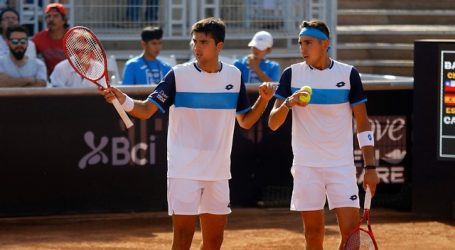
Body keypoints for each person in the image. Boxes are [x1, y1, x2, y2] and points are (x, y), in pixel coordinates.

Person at [100, 17, 275, 249]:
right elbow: (145, 110)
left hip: (218, 171)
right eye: (195, 41)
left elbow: (245, 121)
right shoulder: (178, 75)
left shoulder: (234, 76)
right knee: (182, 239)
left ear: (218, 46)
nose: (197, 47)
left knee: (214, 241)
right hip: (184, 170)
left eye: (203, 42)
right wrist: (123, 99)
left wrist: (263, 101)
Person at [268, 19, 380, 250]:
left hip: (341, 166)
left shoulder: (349, 74)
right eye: (301, 43)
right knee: (314, 234)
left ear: (325, 44)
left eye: (308, 42)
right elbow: (272, 123)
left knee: (352, 238)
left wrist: (370, 168)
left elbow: (363, 123)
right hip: (307, 166)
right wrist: (289, 103)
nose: (303, 48)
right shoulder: (291, 75)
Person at [32, 2, 69, 75]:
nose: (51, 19)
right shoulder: (39, 38)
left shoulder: (75, 37)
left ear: (64, 20)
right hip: (50, 79)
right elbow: (27, 56)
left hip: (74, 80)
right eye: (48, 16)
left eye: (55, 16)